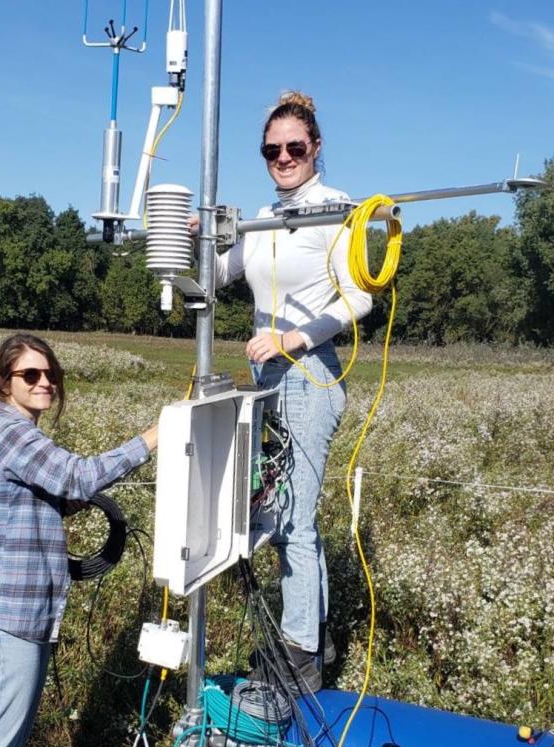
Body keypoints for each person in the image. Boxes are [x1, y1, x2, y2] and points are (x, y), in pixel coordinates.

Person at [0, 332, 158, 747]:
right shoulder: (8, 431)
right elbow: (76, 476)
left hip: (15, 617)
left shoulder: (13, 434)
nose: (45, 383)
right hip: (7, 617)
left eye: (51, 375)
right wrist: (158, 434)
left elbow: (39, 498)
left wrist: (66, 504)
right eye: (30, 375)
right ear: (4, 382)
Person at [216, 91, 372, 693]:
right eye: (271, 149)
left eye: (294, 147)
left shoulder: (337, 209)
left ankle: (302, 657)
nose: (283, 157)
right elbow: (214, 274)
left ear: (316, 147)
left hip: (309, 377)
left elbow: (359, 296)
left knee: (293, 524)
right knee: (276, 516)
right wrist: (190, 234)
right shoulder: (259, 220)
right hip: (266, 384)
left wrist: (294, 339)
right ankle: (313, 634)